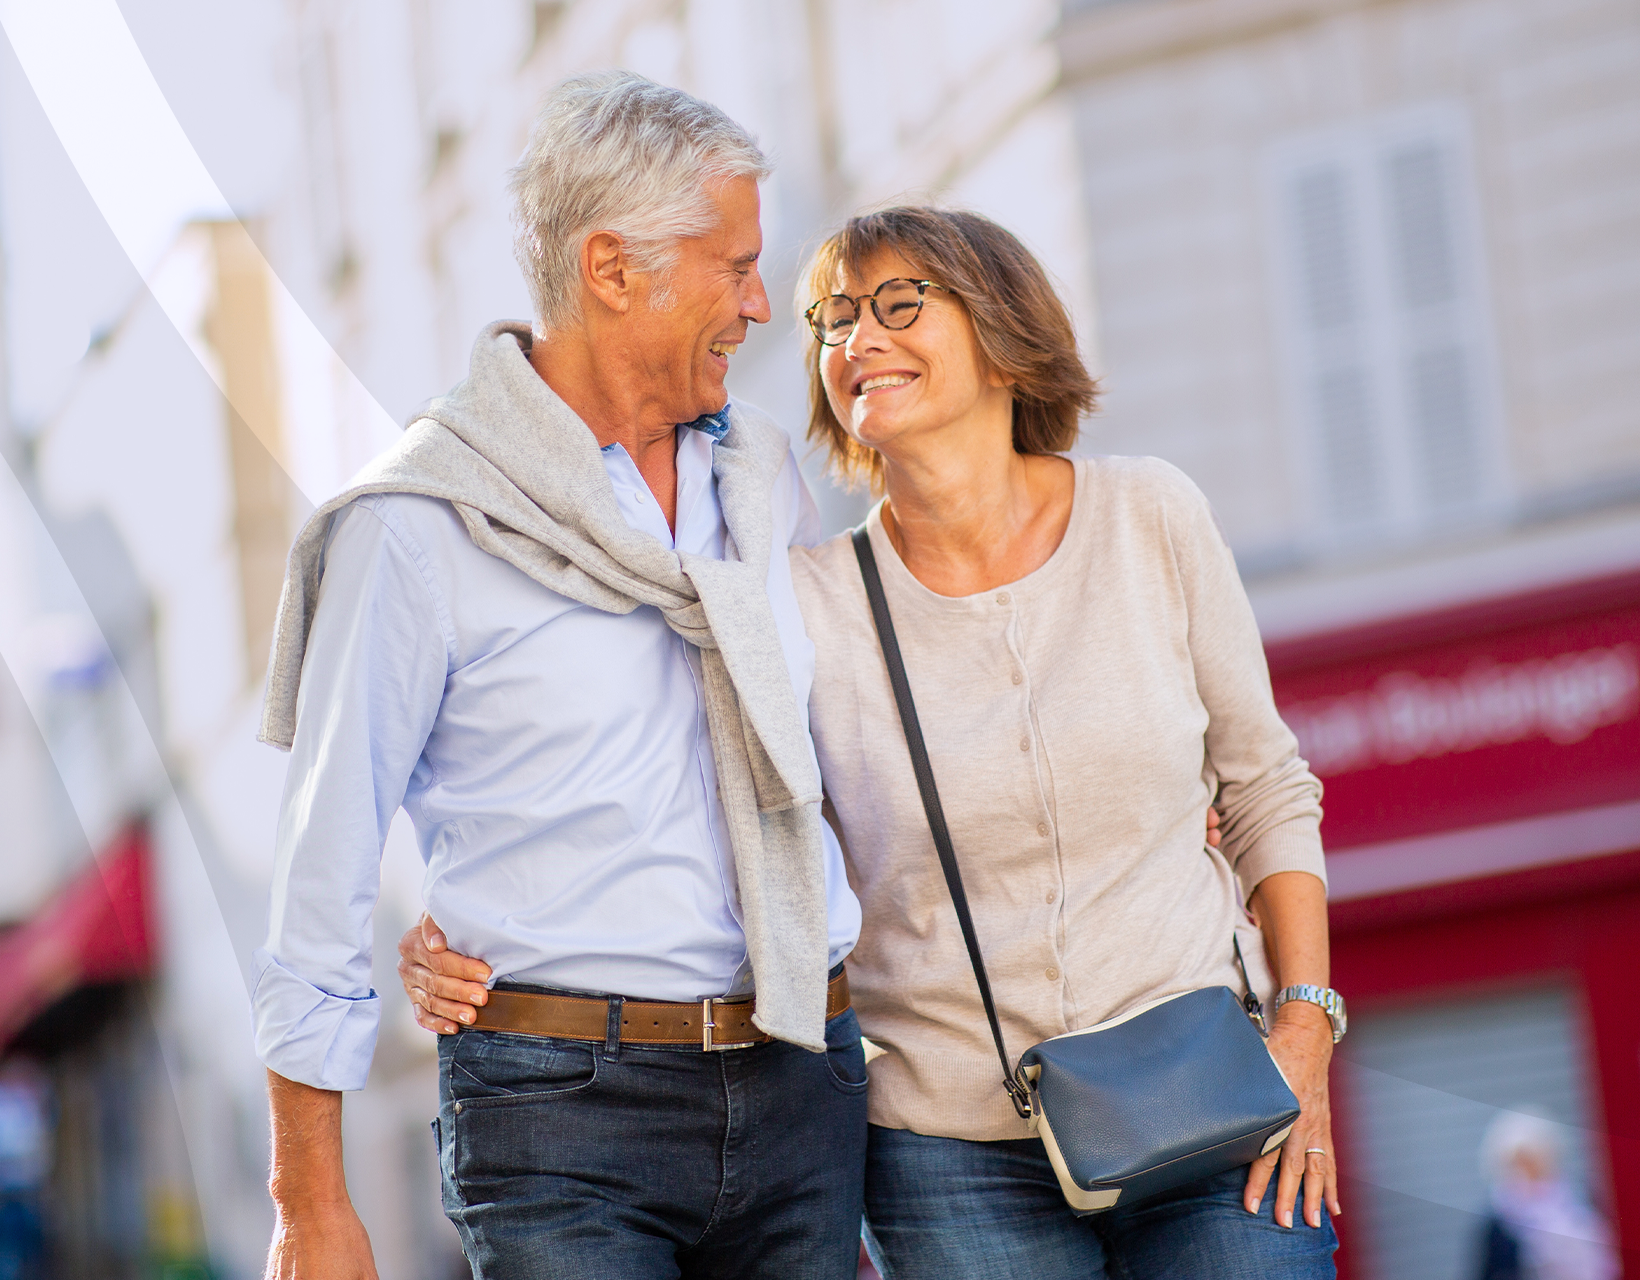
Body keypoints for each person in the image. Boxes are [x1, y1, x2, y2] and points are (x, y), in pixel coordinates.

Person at [402, 206, 1345, 1279]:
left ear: (1001, 330)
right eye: (834, 317)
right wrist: (464, 916)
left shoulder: (1151, 518)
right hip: (950, 1151)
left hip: (1209, 1102)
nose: (859, 339)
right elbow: (664, 782)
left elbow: (1267, 786)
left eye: (902, 304)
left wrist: (1304, 1027)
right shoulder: (805, 600)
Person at [251, 72, 867, 1280]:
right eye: (732, 265)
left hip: (802, 1075)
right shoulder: (424, 524)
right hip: (561, 1110)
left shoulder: (762, 481)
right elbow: (321, 866)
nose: (759, 300)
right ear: (612, 269)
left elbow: (855, 743)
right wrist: (309, 1198)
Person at [1474, 1111, 1616, 1280]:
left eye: (1530, 1161)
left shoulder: (1574, 1203)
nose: (1524, 1170)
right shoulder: (1499, 1220)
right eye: (1517, 1162)